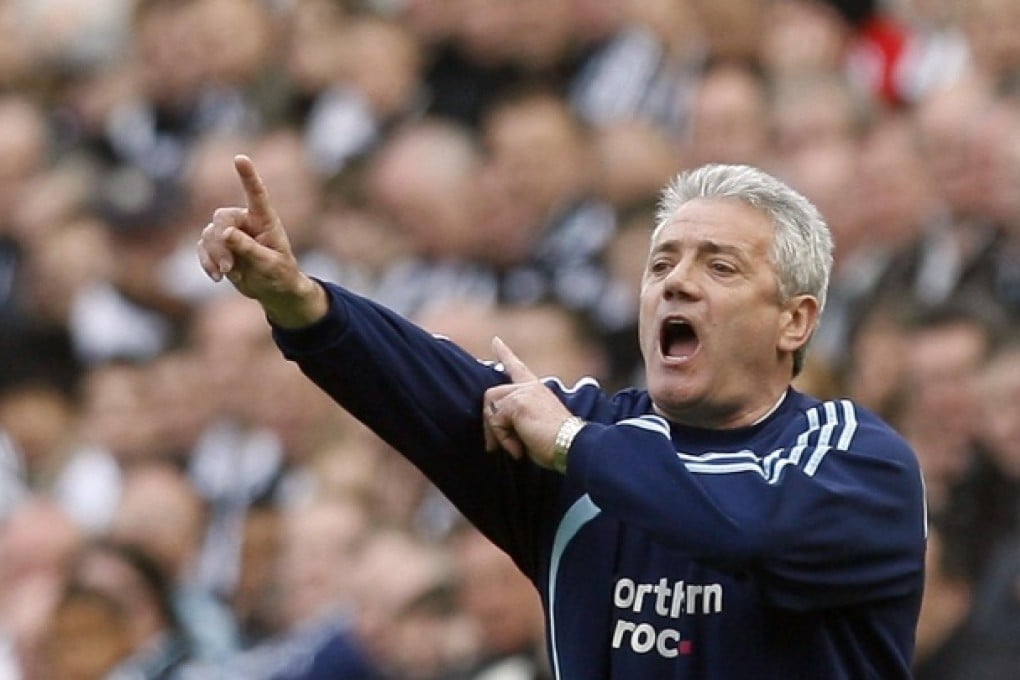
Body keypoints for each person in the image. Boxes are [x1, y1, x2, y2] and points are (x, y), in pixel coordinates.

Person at [197, 156, 926, 678]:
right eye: (661, 263)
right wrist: (302, 303)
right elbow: (429, 387)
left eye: (720, 267)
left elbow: (749, 526)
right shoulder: (586, 444)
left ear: (795, 322)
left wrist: (574, 444)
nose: (677, 283)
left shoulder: (858, 461)